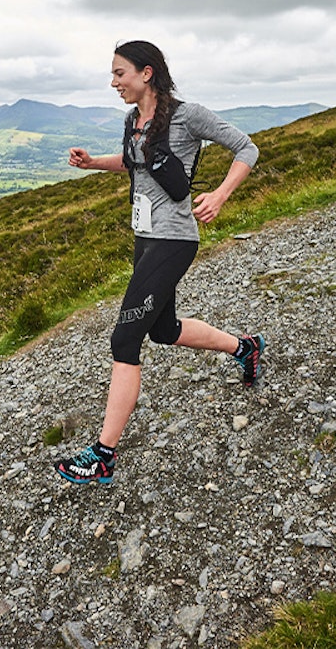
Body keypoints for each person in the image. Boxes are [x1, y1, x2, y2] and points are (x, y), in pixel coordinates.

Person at [53, 40, 264, 486]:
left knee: (125, 338)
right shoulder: (133, 120)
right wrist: (93, 164)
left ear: (146, 73)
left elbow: (247, 149)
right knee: (163, 330)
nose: (114, 83)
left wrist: (221, 195)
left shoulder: (188, 115)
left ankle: (103, 456)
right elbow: (136, 167)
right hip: (144, 238)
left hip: (174, 240)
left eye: (119, 74)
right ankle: (245, 348)